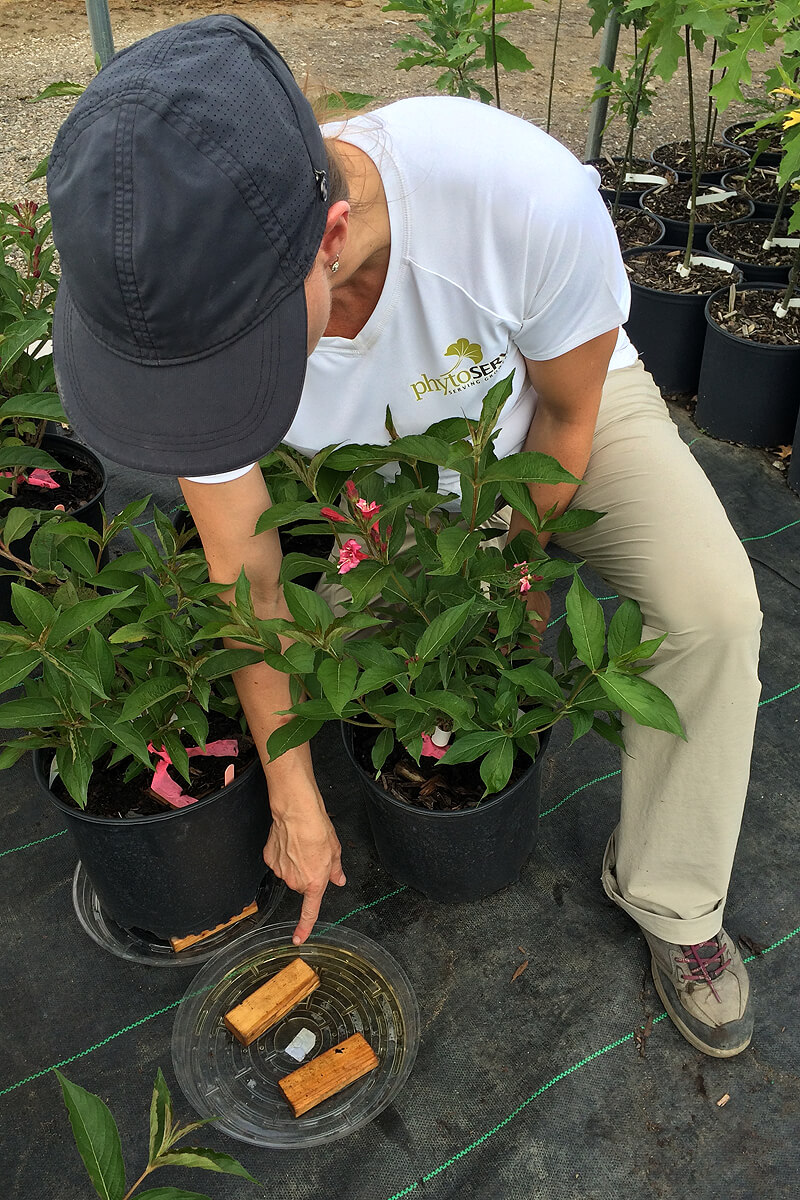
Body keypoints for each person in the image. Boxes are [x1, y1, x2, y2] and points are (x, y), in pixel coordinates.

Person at [47, 15, 762, 1058]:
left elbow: (564, 422)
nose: (202, 401)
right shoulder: (182, 296)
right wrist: (292, 796)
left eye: (228, 365)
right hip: (366, 491)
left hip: (535, 414)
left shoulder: (514, 195)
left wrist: (504, 566)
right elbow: (241, 567)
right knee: (348, 660)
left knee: (712, 612)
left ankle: (671, 897)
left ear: (329, 240)